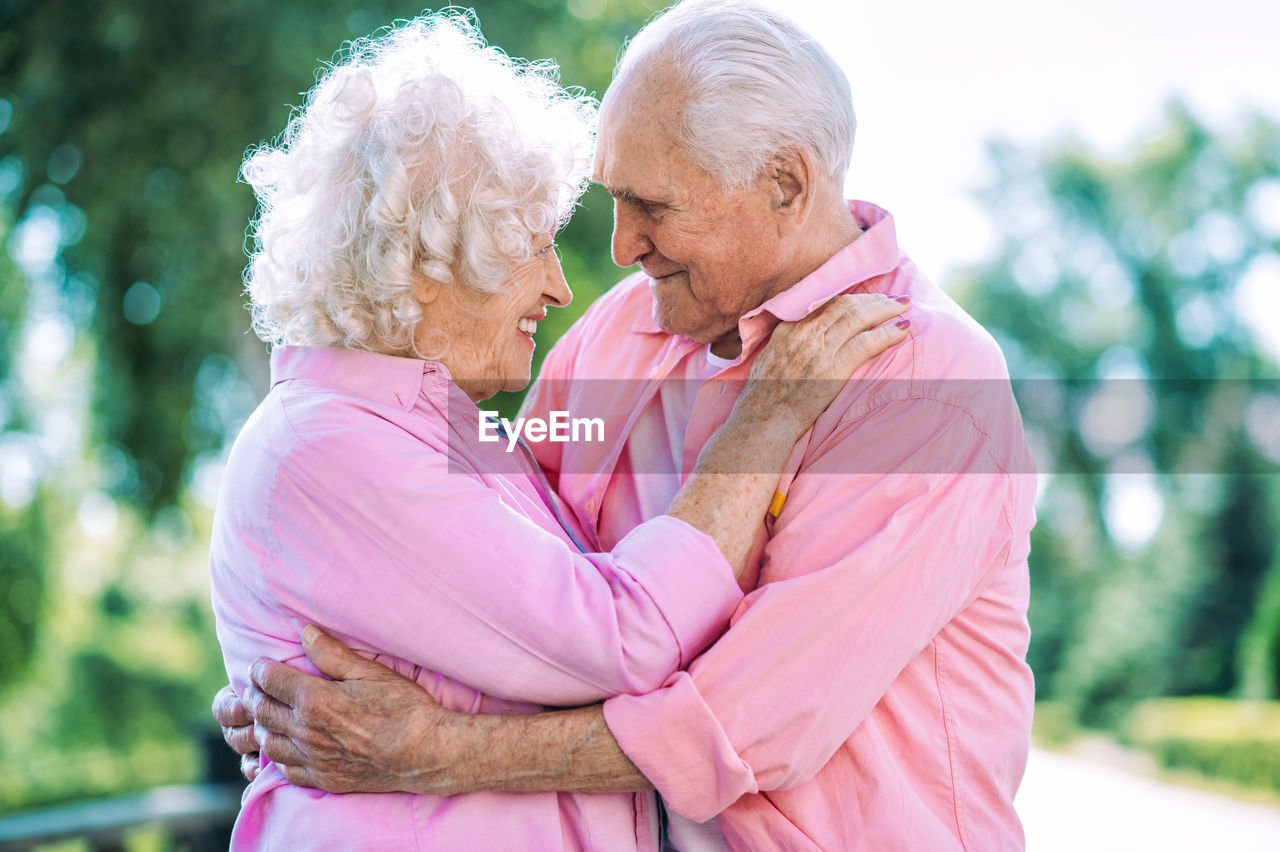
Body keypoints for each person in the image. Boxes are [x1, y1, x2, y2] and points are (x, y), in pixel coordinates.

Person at [217, 0, 1037, 849]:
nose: (617, 248)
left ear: (785, 185)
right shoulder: (617, 337)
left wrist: (434, 751)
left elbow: (753, 719)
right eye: (612, 199)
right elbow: (486, 550)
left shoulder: (926, 387)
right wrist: (272, 659)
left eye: (651, 204)